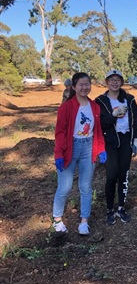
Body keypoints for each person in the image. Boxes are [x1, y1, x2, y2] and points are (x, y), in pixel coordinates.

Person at [52, 72, 107, 235]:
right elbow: (60, 132)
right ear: (74, 87)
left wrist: (101, 149)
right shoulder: (66, 107)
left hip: (88, 148)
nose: (84, 87)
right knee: (65, 186)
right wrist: (59, 154)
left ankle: (84, 221)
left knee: (86, 187)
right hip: (70, 147)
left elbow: (98, 130)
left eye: (87, 84)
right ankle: (57, 220)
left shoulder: (94, 106)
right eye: (81, 85)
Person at [96, 69, 137, 225]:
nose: (115, 82)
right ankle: (109, 209)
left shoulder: (129, 99)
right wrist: (113, 115)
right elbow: (100, 122)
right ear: (107, 82)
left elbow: (135, 120)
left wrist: (135, 141)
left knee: (124, 174)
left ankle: (121, 207)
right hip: (110, 141)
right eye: (111, 80)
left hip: (126, 139)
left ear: (122, 82)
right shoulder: (101, 101)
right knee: (111, 175)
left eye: (117, 80)